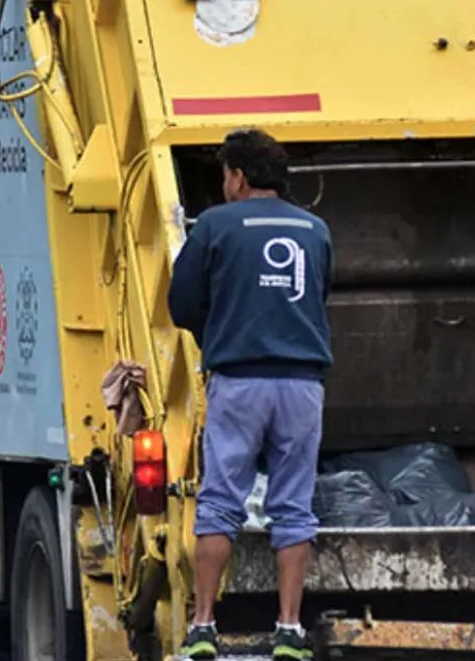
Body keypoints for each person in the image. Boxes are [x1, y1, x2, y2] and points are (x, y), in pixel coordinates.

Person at [167, 127, 333, 661]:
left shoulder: (216, 225)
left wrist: (218, 330)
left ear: (237, 176)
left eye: (224, 176)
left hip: (239, 382)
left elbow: (182, 303)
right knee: (294, 508)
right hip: (302, 385)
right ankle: (288, 628)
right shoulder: (315, 229)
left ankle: (202, 627)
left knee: (220, 503)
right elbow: (317, 296)